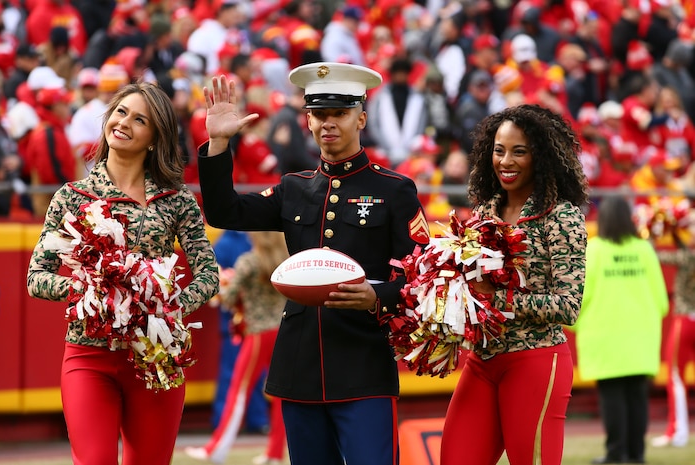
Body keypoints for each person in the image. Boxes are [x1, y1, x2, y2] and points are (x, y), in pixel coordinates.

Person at [197, 63, 430, 465]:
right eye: (319, 114)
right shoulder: (293, 187)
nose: (328, 123)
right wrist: (219, 144)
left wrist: (375, 295)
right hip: (300, 367)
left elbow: (420, 277)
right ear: (307, 119)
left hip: (364, 365)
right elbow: (224, 212)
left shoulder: (394, 189)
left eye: (339, 113)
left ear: (361, 116)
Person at [25, 81, 220, 465]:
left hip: (155, 357)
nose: (124, 122)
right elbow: (36, 276)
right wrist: (89, 291)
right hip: (89, 356)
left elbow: (208, 272)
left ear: (155, 137)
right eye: (120, 112)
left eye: (140, 119)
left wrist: (166, 305)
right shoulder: (73, 196)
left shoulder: (176, 198)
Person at [440, 104, 589, 465]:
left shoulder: (561, 216)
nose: (506, 161)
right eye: (499, 150)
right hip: (482, 360)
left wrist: (499, 299)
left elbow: (569, 305)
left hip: (535, 360)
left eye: (519, 151)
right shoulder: (482, 214)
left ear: (542, 156)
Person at [571, 195, 668, 464]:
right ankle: (637, 454)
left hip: (603, 337)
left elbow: (581, 298)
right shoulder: (644, 250)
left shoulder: (594, 250)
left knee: (612, 397)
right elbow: (661, 299)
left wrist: (577, 325)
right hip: (642, 336)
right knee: (637, 397)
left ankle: (616, 453)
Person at [186, 230, 289, 464]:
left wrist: (226, 281)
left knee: (238, 392)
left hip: (258, 334)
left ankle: (216, 449)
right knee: (282, 395)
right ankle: (275, 452)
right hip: (284, 333)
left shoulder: (249, 262)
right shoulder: (285, 260)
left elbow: (228, 297)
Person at [651, 228, 695, 449]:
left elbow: (655, 254)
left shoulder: (686, 257)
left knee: (676, 376)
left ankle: (677, 430)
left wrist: (654, 233)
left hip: (685, 319)